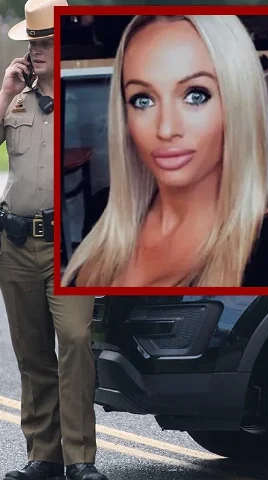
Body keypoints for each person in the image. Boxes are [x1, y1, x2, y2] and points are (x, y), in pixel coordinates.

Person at [61, 14, 268, 288]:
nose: (165, 128)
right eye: (143, 100)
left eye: (195, 96)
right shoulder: (102, 213)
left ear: (238, 104)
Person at [0, 1, 108, 479]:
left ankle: (80, 459)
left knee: (76, 339)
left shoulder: (89, 100)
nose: (36, 51)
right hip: (17, 244)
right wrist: (3, 93)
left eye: (46, 43)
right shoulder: (15, 102)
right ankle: (43, 456)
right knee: (32, 351)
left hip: (73, 246)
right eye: (33, 43)